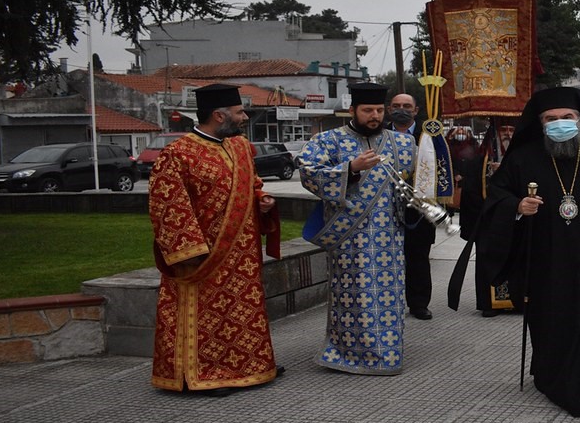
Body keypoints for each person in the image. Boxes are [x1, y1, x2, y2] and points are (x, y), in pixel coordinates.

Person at [476, 87, 580, 416]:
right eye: (551, 119)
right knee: (550, 324)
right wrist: (517, 206)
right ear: (540, 123)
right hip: (546, 262)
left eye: (567, 117)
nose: (560, 124)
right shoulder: (523, 157)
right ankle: (550, 377)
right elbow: (495, 198)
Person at [148, 83, 282, 396]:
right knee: (205, 316)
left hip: (243, 255)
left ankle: (248, 366)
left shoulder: (240, 147)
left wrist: (261, 199)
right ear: (219, 116)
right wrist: (189, 252)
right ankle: (201, 374)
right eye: (239, 112)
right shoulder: (177, 154)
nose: (244, 117)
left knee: (242, 314)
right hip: (205, 256)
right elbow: (168, 206)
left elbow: (252, 185)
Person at [297, 82, 417, 375]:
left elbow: (416, 181)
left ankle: (388, 354)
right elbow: (308, 173)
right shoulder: (328, 141)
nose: (374, 116)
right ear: (352, 110)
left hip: (389, 237)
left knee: (389, 296)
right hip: (349, 238)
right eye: (367, 110)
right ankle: (345, 353)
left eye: (379, 110)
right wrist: (351, 168)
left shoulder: (403, 143)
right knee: (352, 296)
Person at [458, 118, 518, 317]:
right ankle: (490, 303)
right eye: (503, 129)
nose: (507, 133)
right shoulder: (479, 159)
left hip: (517, 219)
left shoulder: (523, 157)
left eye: (511, 129)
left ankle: (517, 300)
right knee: (487, 260)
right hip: (488, 220)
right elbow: (470, 192)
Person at [386, 93, 437, 320]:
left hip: (419, 209)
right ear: (389, 109)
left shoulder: (429, 136)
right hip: (385, 207)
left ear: (416, 110)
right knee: (387, 258)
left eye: (407, 106)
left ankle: (419, 304)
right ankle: (389, 303)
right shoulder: (379, 136)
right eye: (396, 106)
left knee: (418, 258)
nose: (402, 109)